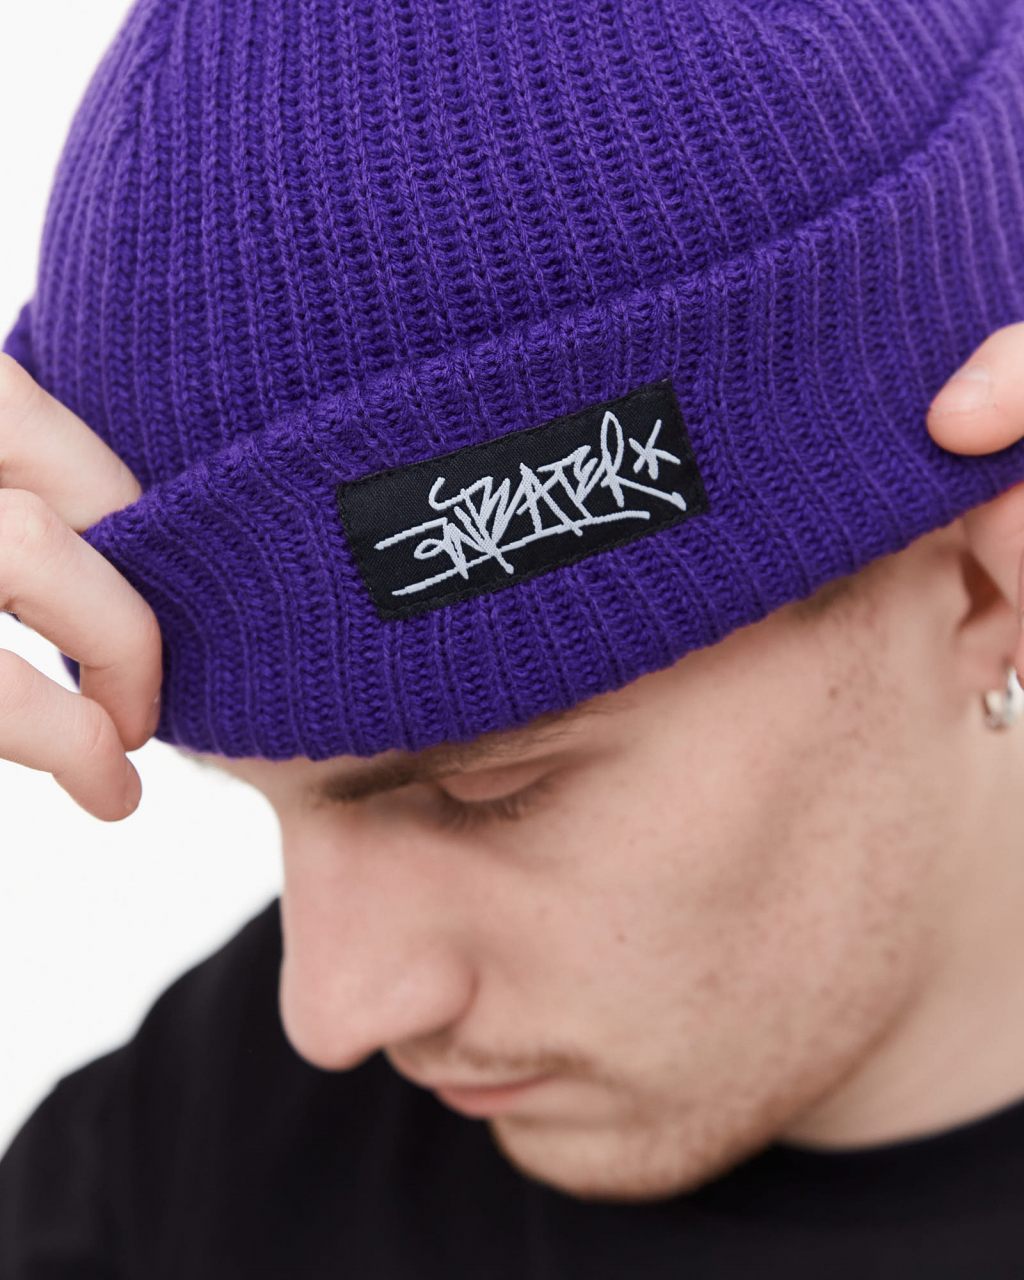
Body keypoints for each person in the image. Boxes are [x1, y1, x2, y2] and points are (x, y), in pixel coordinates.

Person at [4, 0, 1024, 1274]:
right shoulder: (166, 1181)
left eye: (490, 789)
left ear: (978, 583)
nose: (334, 1013)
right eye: (258, 793)